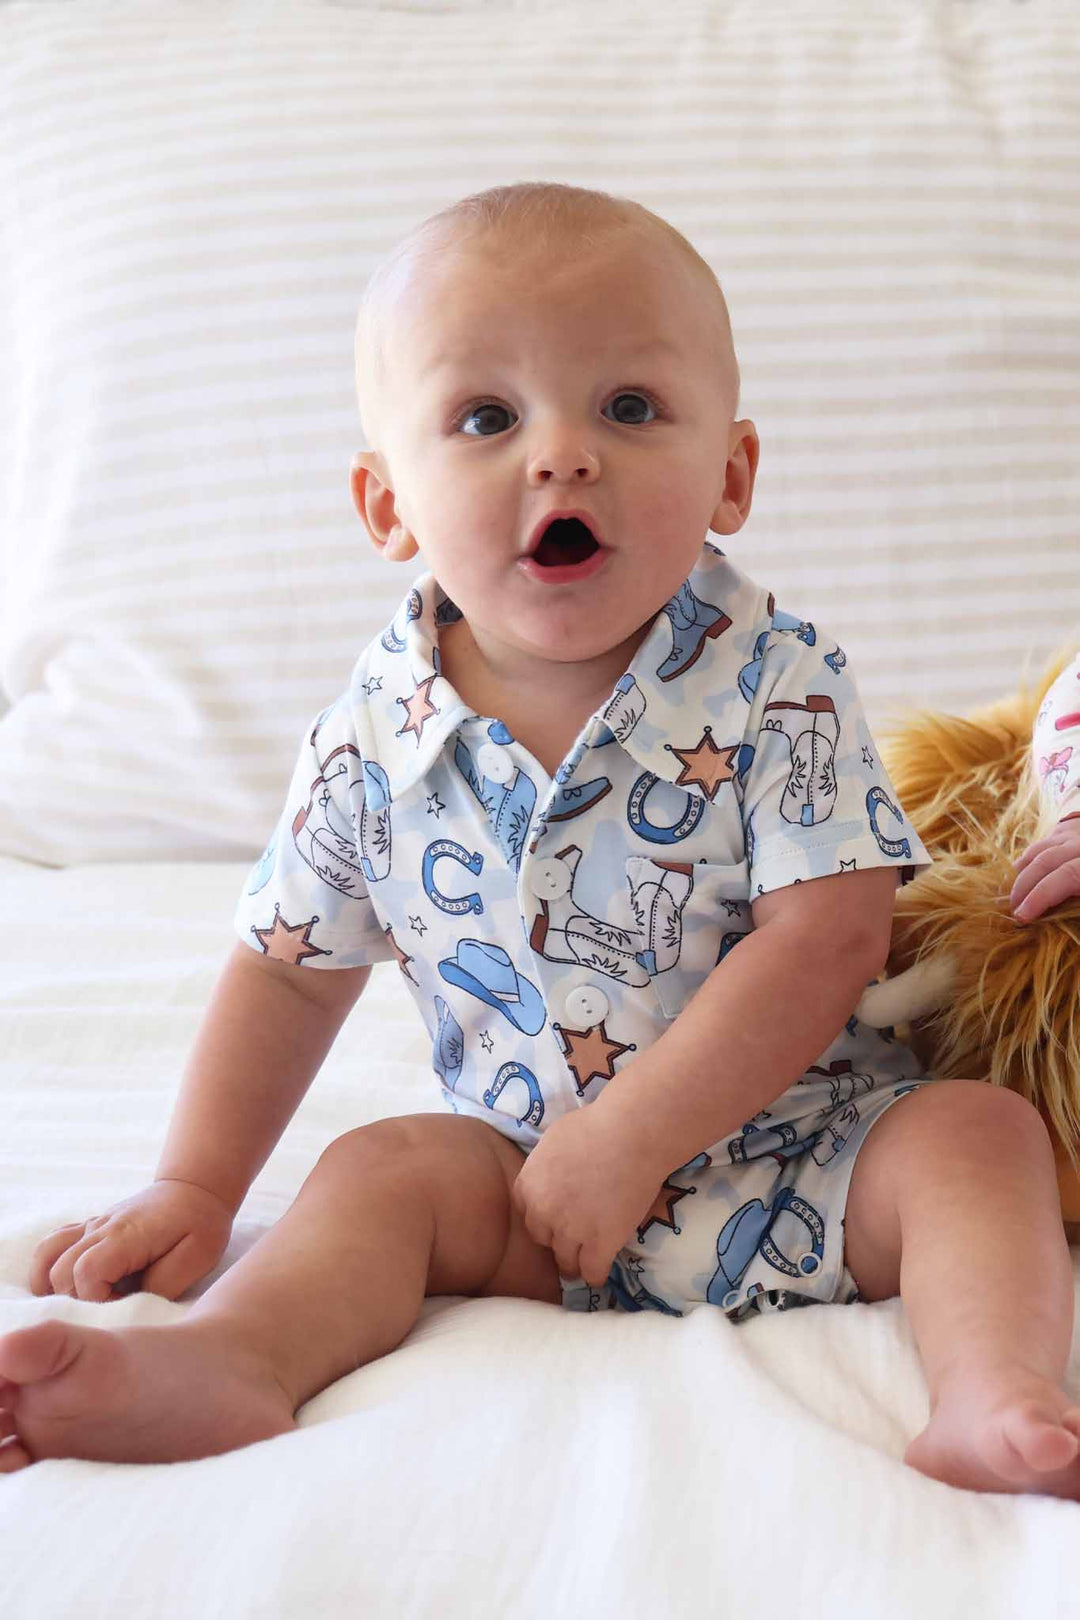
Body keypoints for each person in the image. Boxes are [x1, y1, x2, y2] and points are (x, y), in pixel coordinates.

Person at [2, 182, 1078, 1496]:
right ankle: (234, 1358)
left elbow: (831, 934)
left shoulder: (775, 686)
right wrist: (194, 1188)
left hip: (811, 1153)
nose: (561, 453)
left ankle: (993, 1390)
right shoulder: (372, 740)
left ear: (731, 474)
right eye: (486, 418)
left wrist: (632, 1137)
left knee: (977, 1140)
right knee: (377, 1172)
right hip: (522, 1191)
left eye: (629, 408)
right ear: (387, 502)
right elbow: (288, 968)